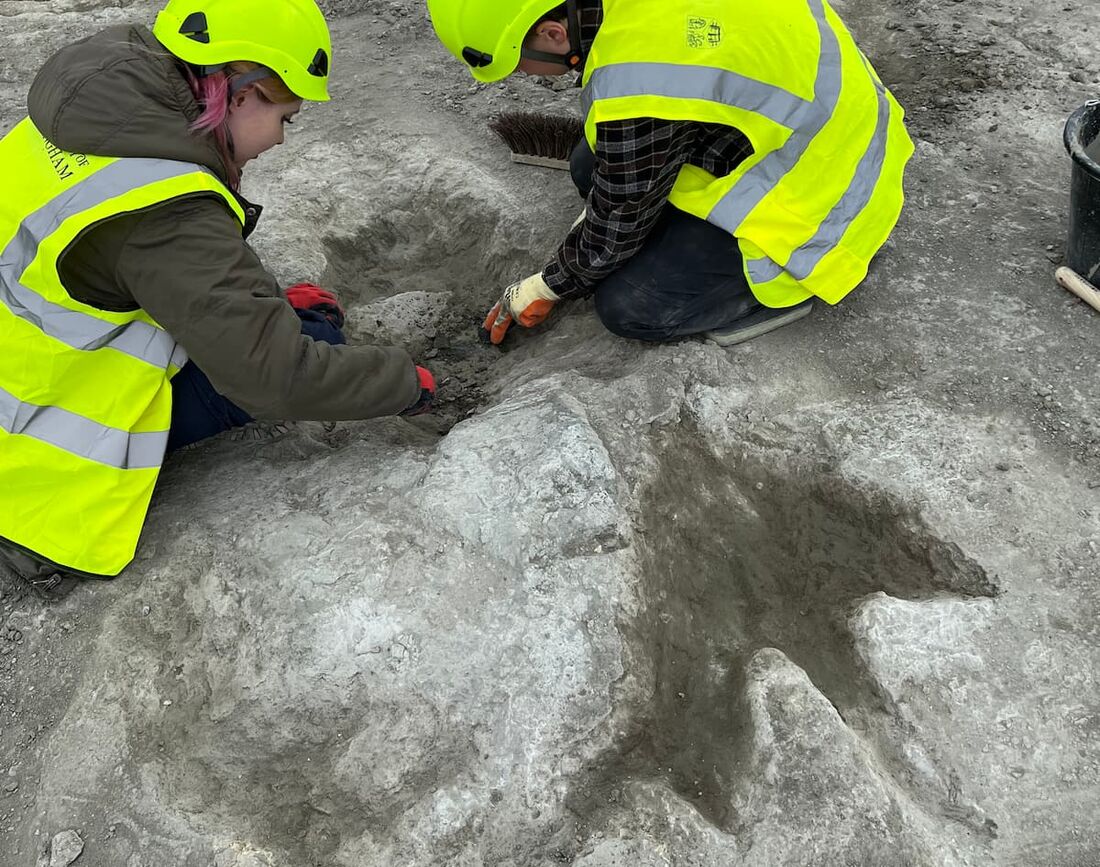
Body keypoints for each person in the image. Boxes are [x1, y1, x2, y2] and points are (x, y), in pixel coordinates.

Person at [0, 0, 436, 598]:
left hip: (28, 360)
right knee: (317, 343)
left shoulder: (97, 108)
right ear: (243, 91)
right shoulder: (166, 209)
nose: (282, 138)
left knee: (297, 324)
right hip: (38, 454)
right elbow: (276, 378)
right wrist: (403, 382)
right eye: (288, 116)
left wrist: (270, 301)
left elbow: (146, 266)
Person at [427, 0, 915, 346]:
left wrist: (546, 286)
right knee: (589, 164)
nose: (526, 77)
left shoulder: (639, 77)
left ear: (554, 34)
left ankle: (782, 295)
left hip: (824, 192)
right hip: (815, 122)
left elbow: (614, 225)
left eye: (520, 65)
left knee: (631, 308)